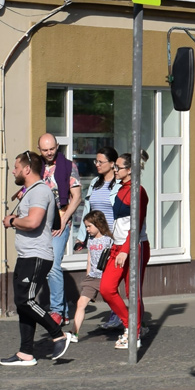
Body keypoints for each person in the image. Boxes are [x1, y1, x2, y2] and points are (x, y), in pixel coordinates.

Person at [0, 150, 73, 366]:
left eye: (16, 167)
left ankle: (58, 334)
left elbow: (33, 222)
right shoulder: (32, 191)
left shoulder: (40, 191)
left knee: (26, 300)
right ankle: (25, 353)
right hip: (26, 255)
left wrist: (12, 221)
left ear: (26, 169)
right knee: (22, 304)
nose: (13, 171)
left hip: (37, 256)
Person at [99, 152, 151, 351]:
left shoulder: (138, 191)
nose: (115, 169)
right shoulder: (120, 189)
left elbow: (135, 225)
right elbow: (120, 222)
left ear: (130, 170)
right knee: (106, 288)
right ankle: (134, 326)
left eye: (118, 167)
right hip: (118, 247)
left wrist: (126, 250)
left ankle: (134, 334)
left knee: (133, 293)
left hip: (134, 247)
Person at [38, 133, 82, 326]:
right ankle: (62, 310)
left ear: (57, 146)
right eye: (45, 150)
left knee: (54, 265)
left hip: (59, 223)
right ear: (39, 150)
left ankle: (56, 310)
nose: (49, 153)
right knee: (45, 266)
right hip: (41, 223)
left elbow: (77, 197)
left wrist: (64, 219)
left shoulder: (68, 166)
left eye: (52, 149)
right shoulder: (35, 166)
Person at [85, 146, 123, 331]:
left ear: (112, 164)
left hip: (114, 239)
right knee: (102, 279)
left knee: (109, 281)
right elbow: (88, 210)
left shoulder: (119, 184)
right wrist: (81, 237)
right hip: (98, 239)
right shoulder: (94, 183)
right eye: (96, 161)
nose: (97, 165)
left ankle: (122, 316)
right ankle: (118, 314)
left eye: (101, 162)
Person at [70, 210, 114, 340]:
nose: (87, 229)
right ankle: (74, 333)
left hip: (106, 277)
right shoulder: (90, 240)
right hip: (92, 278)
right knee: (81, 303)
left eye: (89, 226)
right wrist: (88, 274)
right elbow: (89, 259)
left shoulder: (108, 240)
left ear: (98, 224)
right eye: (86, 227)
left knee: (115, 305)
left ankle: (135, 326)